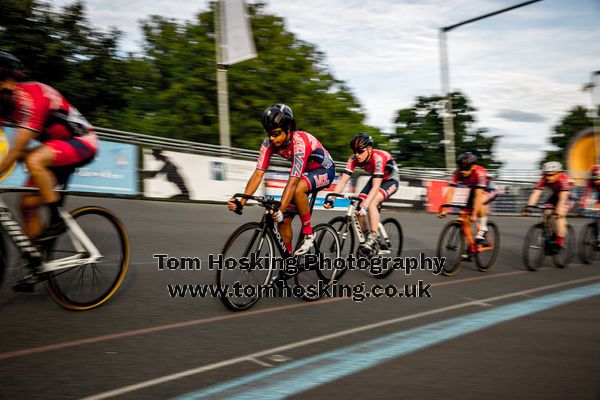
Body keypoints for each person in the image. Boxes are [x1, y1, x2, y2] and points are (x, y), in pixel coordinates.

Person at [0, 50, 98, 268]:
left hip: (82, 141)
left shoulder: (28, 98)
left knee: (32, 158)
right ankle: (37, 263)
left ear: (8, 81)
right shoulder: (5, 101)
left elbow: (16, 150)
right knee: (26, 205)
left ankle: (56, 220)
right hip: (54, 149)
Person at [227, 104, 335, 256]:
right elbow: (258, 173)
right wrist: (241, 202)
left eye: (276, 133)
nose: (272, 138)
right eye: (269, 133)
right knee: (283, 221)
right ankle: (288, 262)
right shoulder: (268, 143)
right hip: (305, 174)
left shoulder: (299, 143)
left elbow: (292, 182)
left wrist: (280, 209)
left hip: (324, 170)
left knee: (296, 190)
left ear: (288, 128)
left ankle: (309, 232)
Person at [324, 133, 399, 251]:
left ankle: (373, 237)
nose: (356, 154)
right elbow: (343, 181)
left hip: (390, 180)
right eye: (354, 151)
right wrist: (331, 198)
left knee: (371, 202)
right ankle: (367, 236)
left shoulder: (378, 158)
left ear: (369, 149)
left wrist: (365, 206)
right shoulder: (353, 158)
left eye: (360, 151)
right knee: (359, 208)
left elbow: (376, 187)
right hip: (376, 177)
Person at [438, 152, 495, 246]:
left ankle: (483, 228)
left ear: (472, 167)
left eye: (466, 169)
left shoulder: (479, 173)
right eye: (461, 169)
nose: (463, 172)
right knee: (466, 216)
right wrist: (445, 208)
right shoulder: (458, 172)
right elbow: (451, 191)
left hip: (489, 189)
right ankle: (470, 246)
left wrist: (475, 214)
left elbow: (478, 196)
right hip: (473, 188)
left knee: (480, 202)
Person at [521, 161, 573, 252]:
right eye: (547, 175)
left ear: (558, 173)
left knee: (559, 216)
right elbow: (536, 193)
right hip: (555, 196)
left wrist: (559, 211)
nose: (549, 177)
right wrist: (529, 207)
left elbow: (563, 197)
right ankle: (550, 233)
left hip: (567, 197)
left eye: (552, 175)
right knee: (546, 211)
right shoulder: (544, 178)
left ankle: (560, 240)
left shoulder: (563, 179)